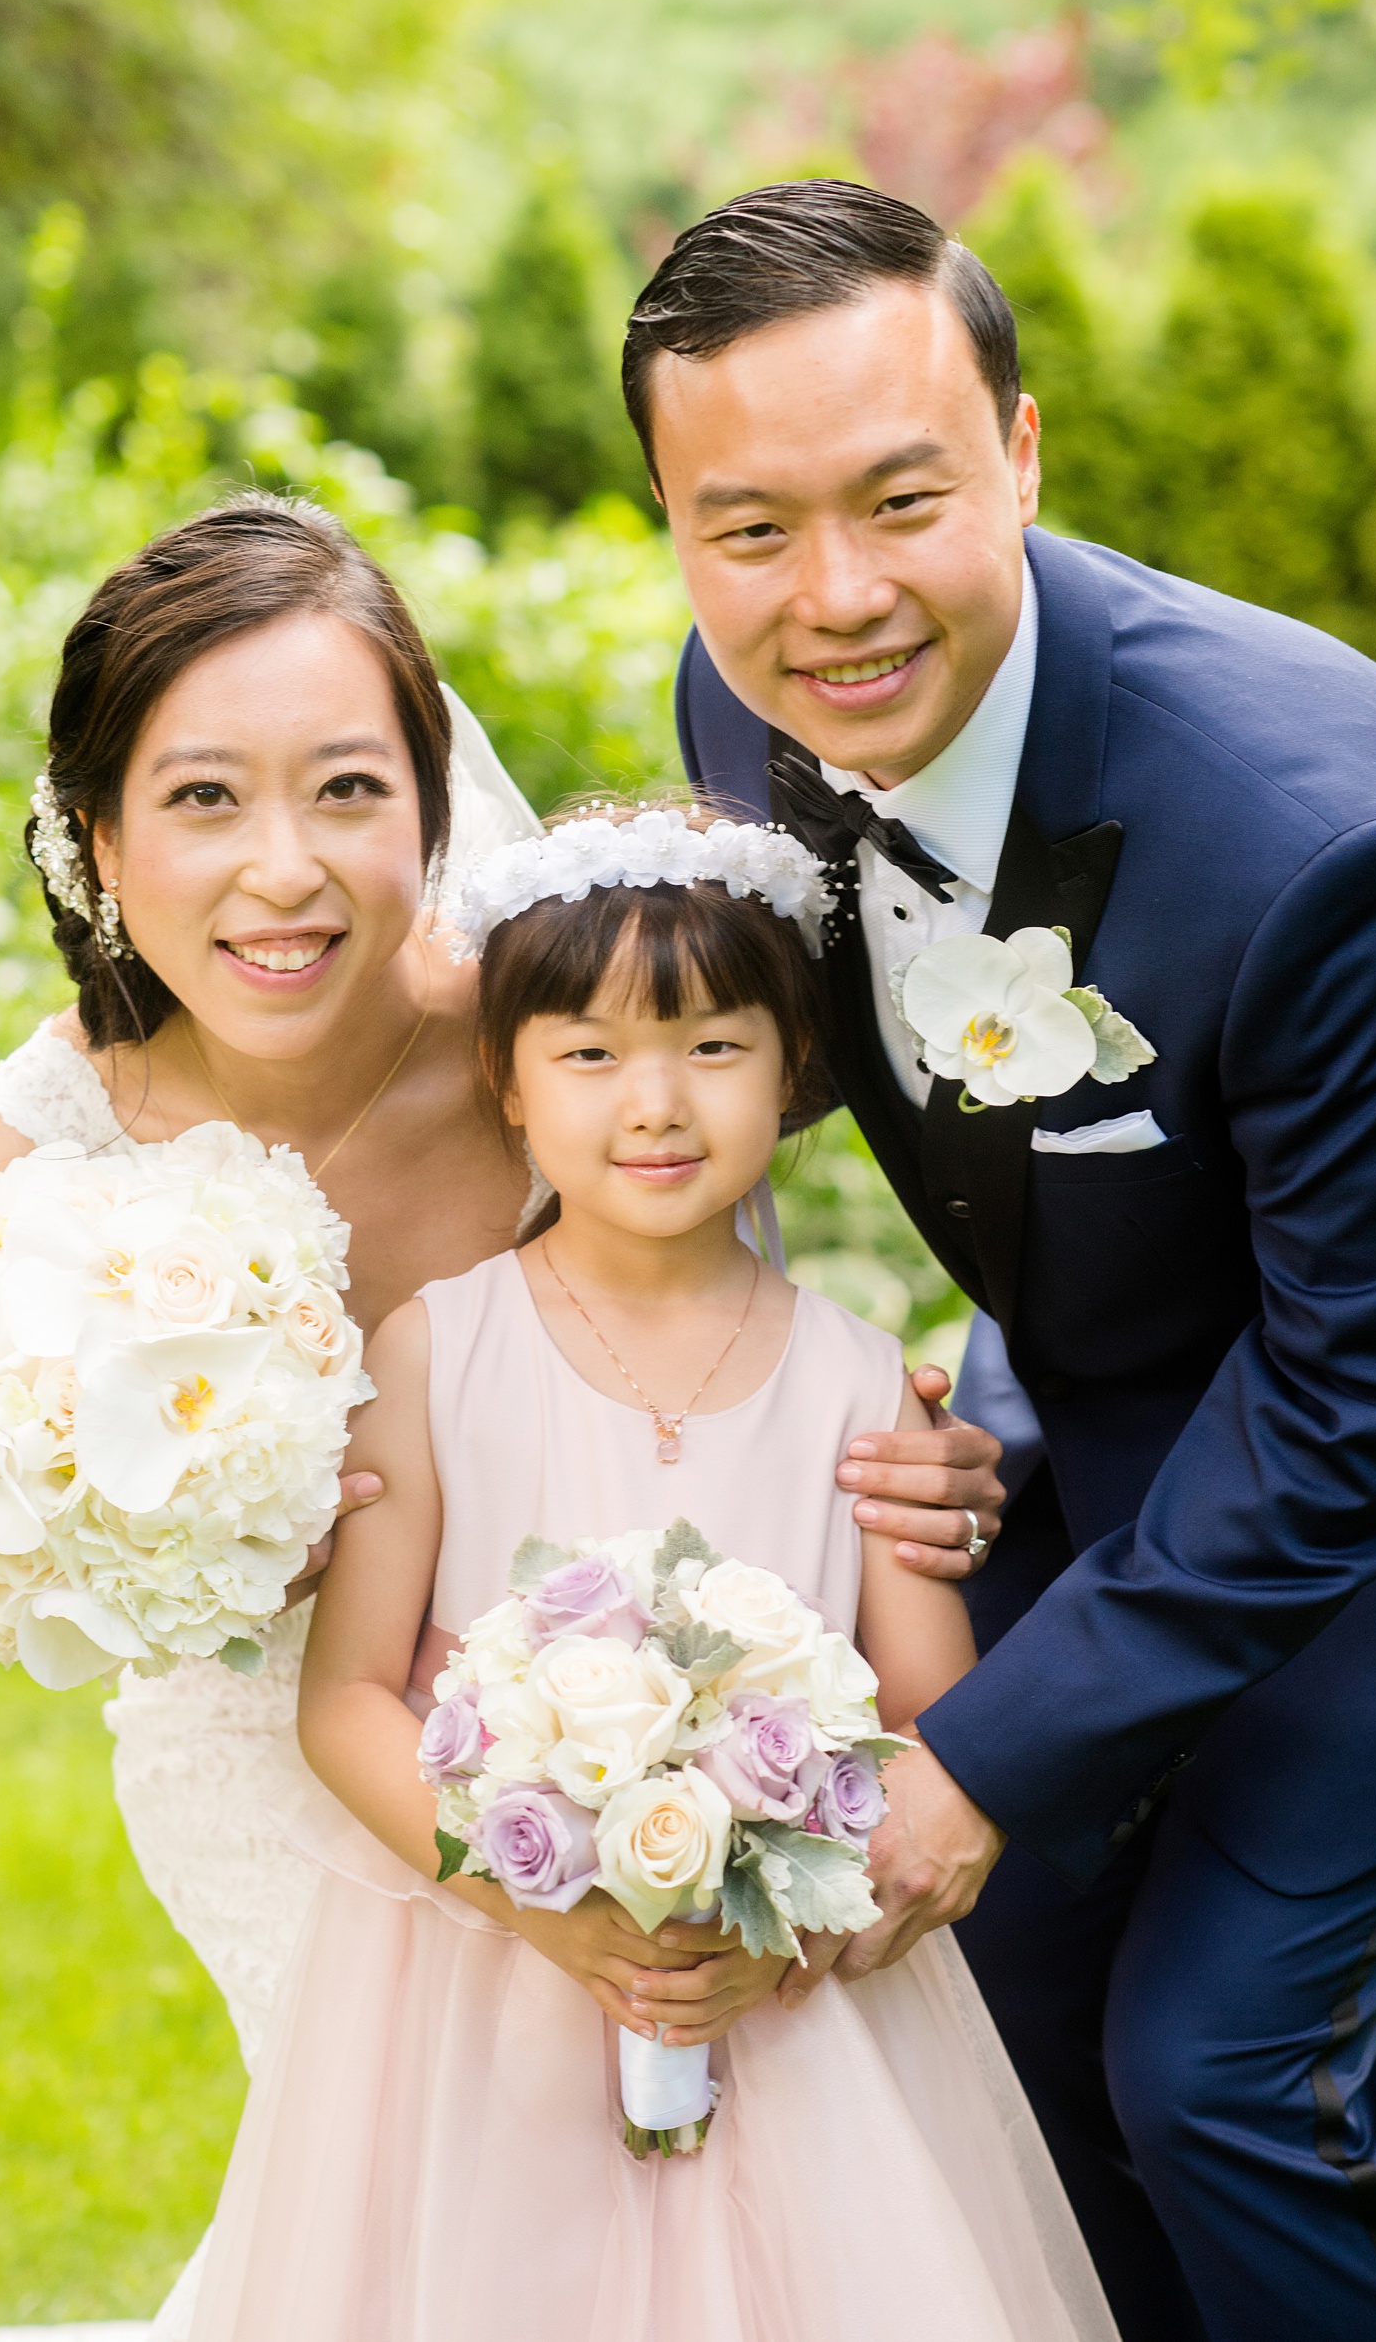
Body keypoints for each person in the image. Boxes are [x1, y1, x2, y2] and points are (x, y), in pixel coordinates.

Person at [639, 179, 1376, 2342]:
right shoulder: (737, 709)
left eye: (899, 498)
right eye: (746, 525)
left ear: (1023, 455)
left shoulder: (1330, 839)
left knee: (1221, 2055)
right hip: (1138, 1401)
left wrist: (976, 1758)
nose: (830, 595)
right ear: (675, 521)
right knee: (998, 1998)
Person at [0, 488, 999, 2338]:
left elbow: (703, 1366)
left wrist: (894, 1471)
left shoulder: (565, 1050)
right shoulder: (48, 1155)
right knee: (396, 2234)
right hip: (273, 1763)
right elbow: (37, 1552)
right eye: (204, 799)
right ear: (99, 835)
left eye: (350, 789)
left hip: (654, 1750)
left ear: (432, 811)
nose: (287, 871)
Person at [184, 803, 1119, 2342]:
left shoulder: (859, 1383)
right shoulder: (434, 1355)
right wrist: (535, 1892)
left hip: (793, 2002)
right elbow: (346, 1697)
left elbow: (935, 1718)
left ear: (792, 1063)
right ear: (508, 1079)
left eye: (713, 1046)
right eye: (591, 1053)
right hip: (487, 1996)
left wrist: (791, 1915)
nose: (657, 1103)